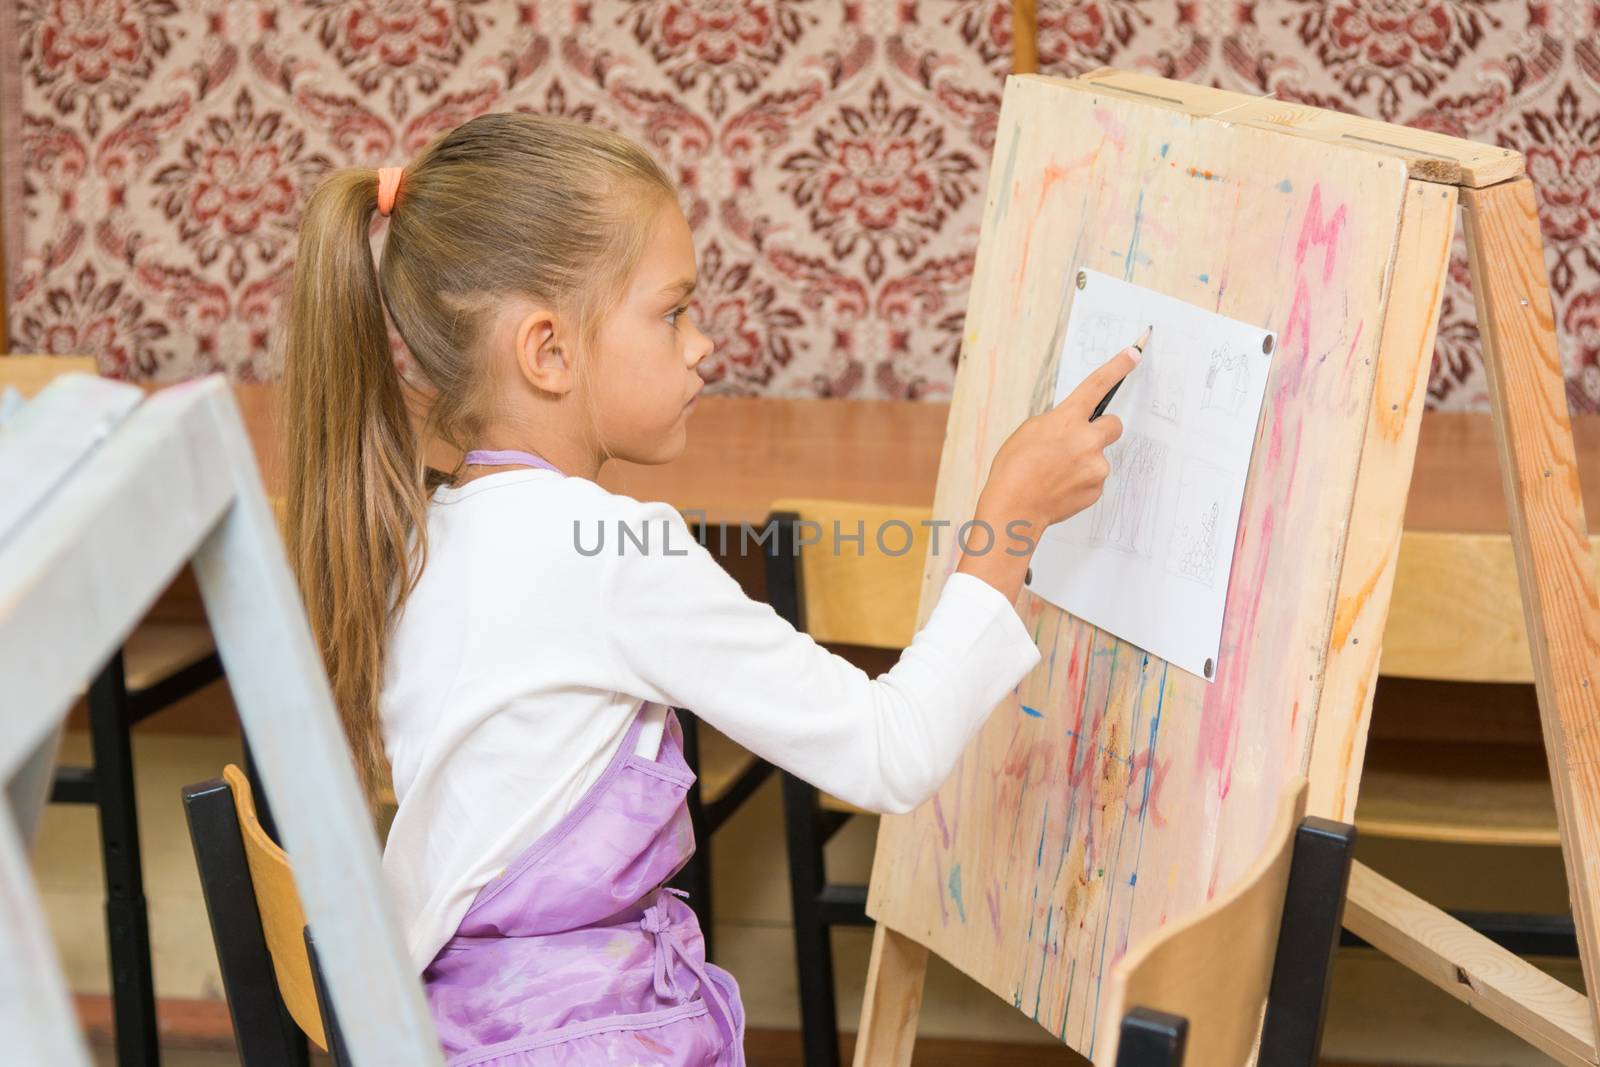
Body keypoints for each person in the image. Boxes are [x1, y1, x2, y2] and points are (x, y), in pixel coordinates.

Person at [281, 112, 1133, 1066]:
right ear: (548, 351)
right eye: (673, 310)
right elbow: (888, 752)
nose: (704, 344)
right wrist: (1011, 516)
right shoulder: (611, 551)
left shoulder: (427, 533)